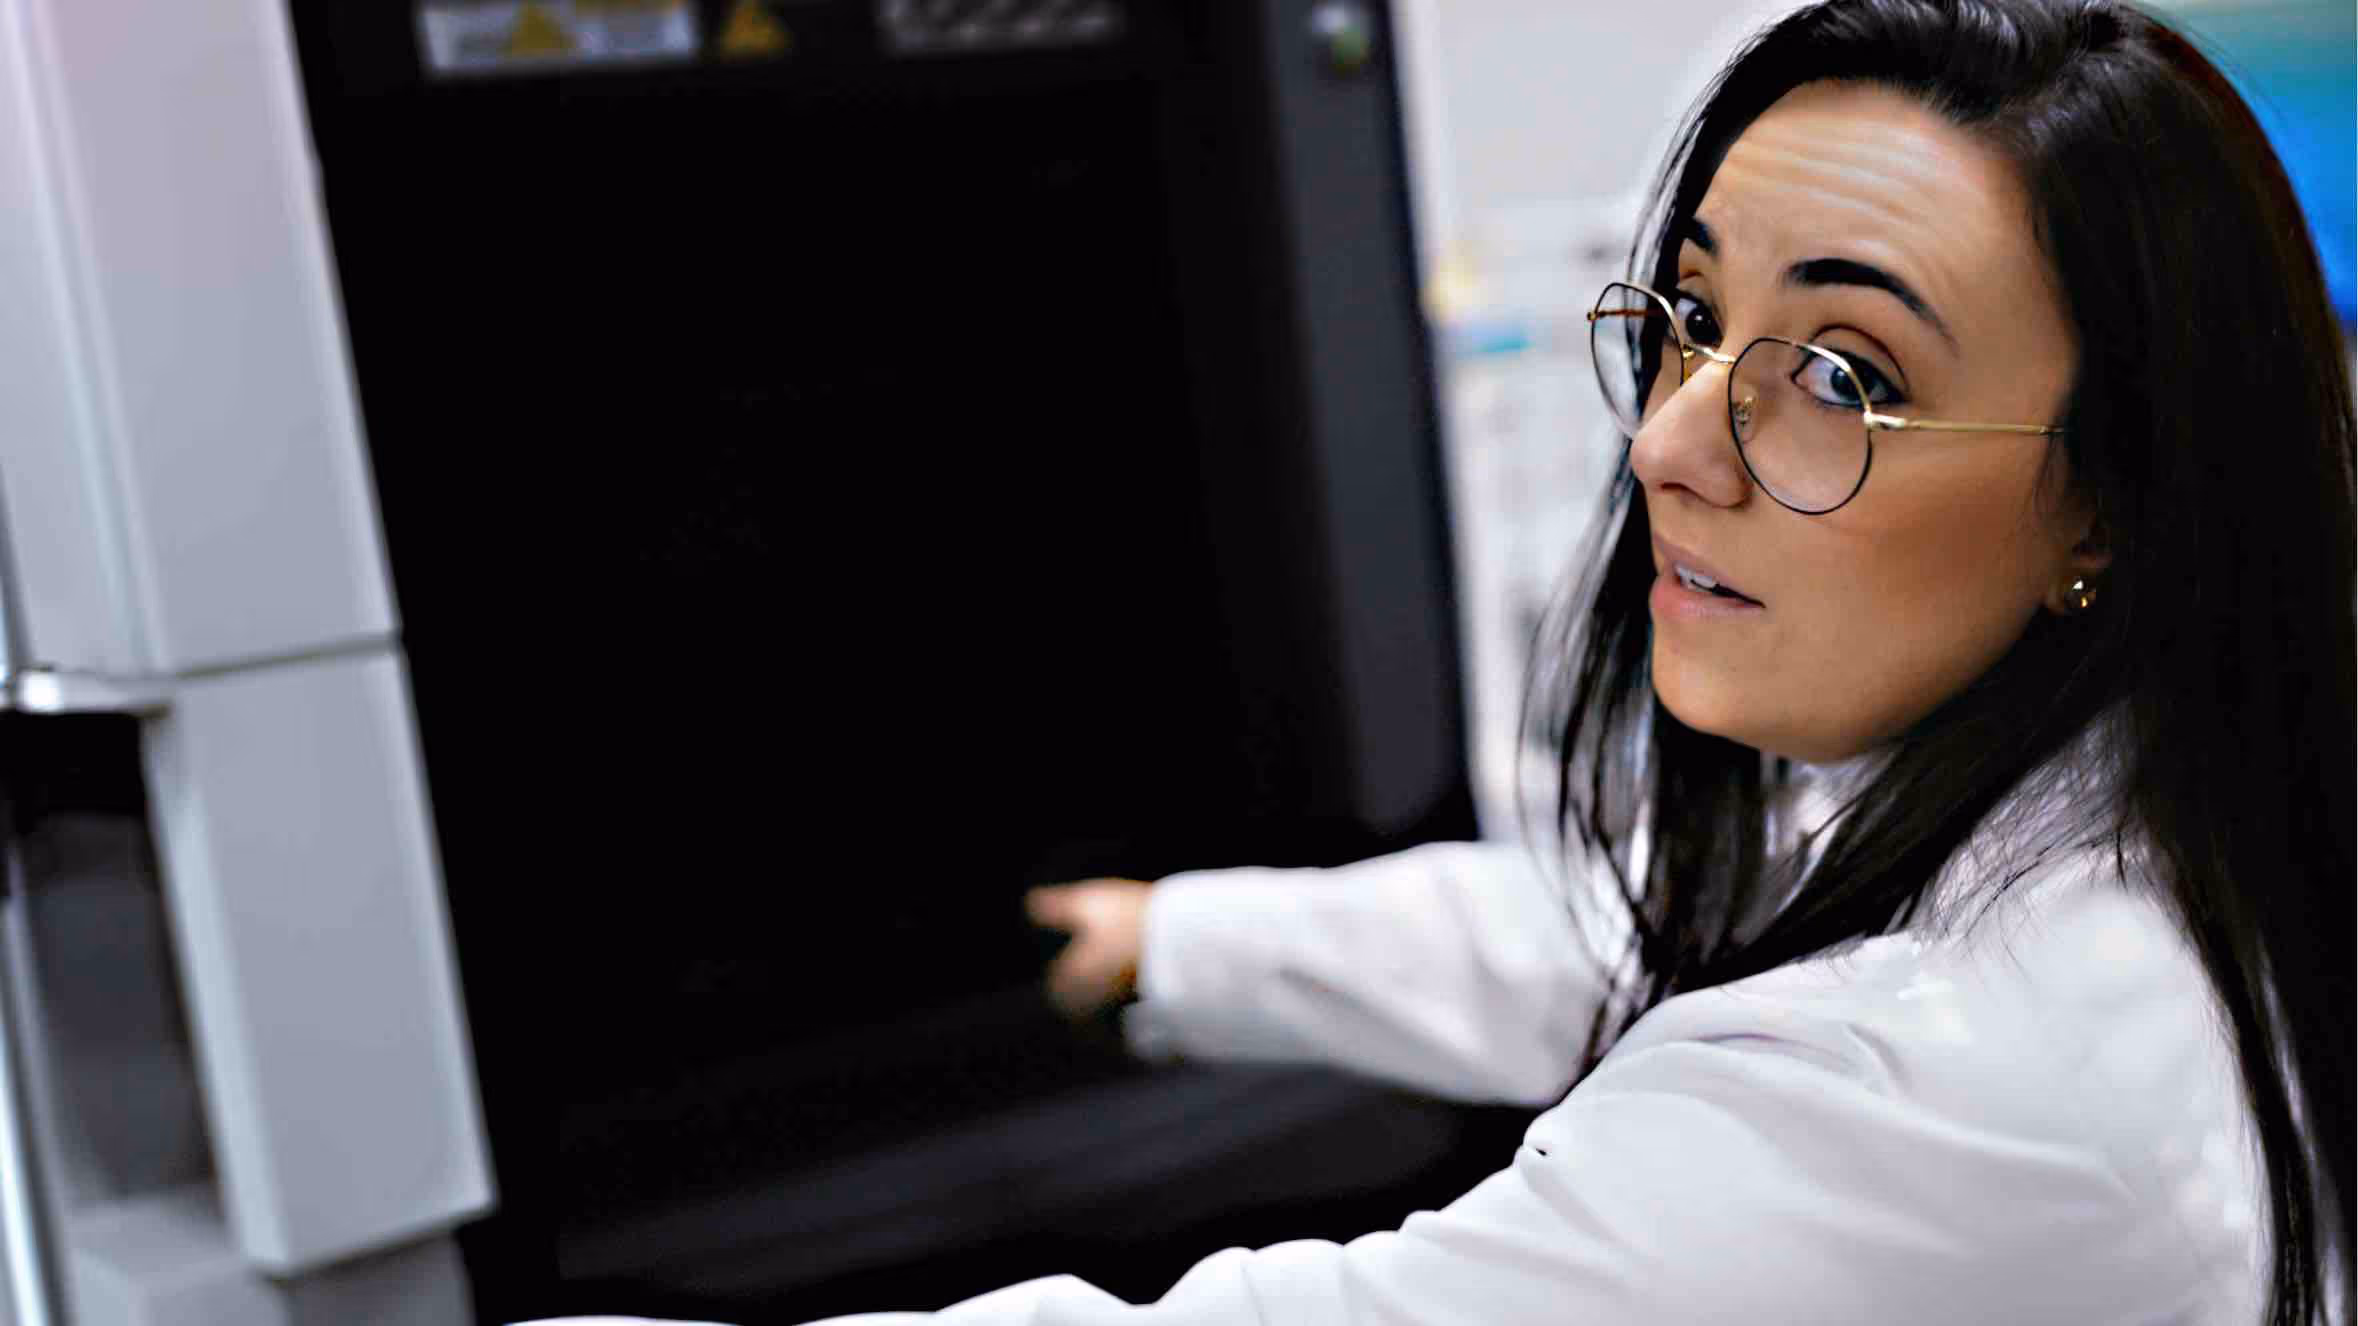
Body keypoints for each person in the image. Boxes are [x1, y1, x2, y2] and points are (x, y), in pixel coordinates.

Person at [531, 0, 2354, 1321]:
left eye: (1846, 377)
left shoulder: (1945, 1088)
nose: (1667, 445)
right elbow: (1637, 915)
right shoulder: (2160, 798)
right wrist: (1175, 943)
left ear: (2114, 500)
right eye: (1697, 320)